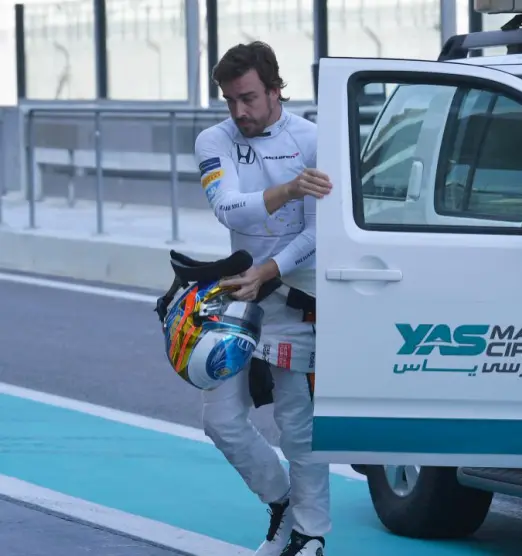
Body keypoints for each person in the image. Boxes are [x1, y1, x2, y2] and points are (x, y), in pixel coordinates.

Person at [193, 41, 331, 556]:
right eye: (230, 100)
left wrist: (270, 270)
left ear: (275, 90)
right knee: (220, 420)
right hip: (239, 295)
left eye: (248, 98)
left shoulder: (313, 140)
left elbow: (317, 232)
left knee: (298, 424)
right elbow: (229, 209)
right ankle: (282, 503)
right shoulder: (214, 139)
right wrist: (289, 190)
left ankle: (310, 534)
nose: (239, 111)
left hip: (295, 293)